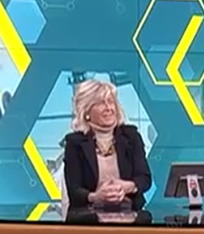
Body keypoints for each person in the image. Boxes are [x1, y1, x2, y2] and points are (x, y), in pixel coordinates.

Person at [63, 79, 152, 210]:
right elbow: (74, 190)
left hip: (130, 212)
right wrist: (96, 196)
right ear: (86, 112)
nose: (108, 108)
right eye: (101, 103)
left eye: (111, 102)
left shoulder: (131, 136)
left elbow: (144, 178)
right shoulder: (75, 143)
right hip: (89, 216)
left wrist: (127, 187)